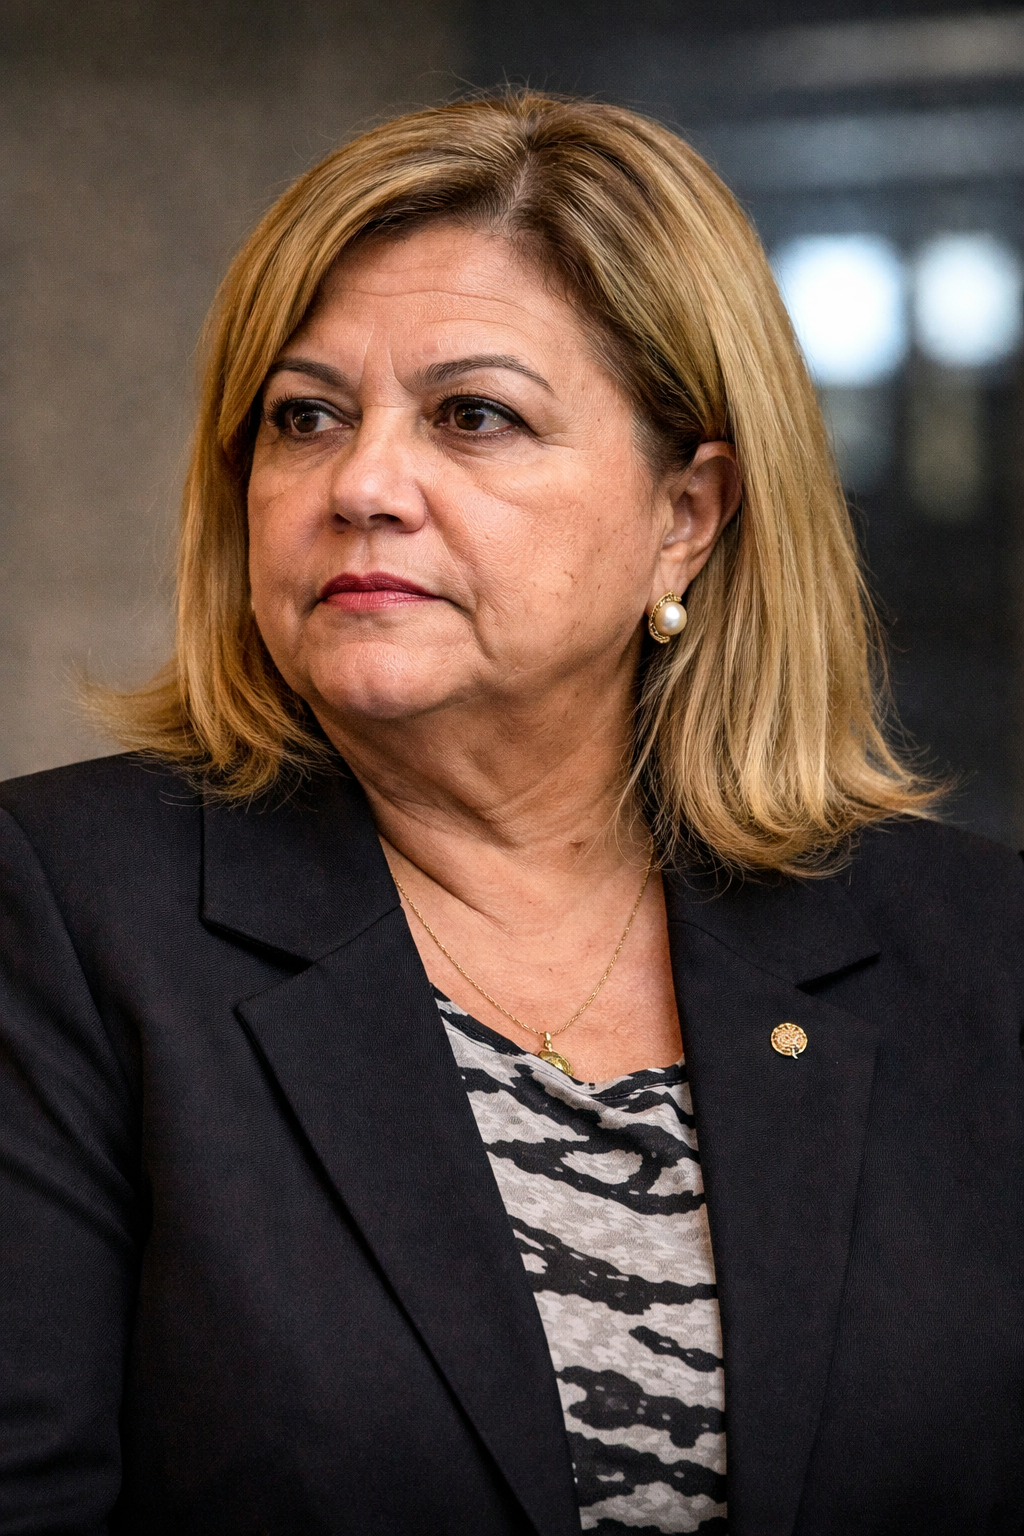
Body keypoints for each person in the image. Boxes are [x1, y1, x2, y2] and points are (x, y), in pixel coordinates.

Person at [1, 91, 1021, 1536]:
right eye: (305, 417)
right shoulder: (62, 911)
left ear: (686, 515)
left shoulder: (977, 946)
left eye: (473, 416)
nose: (362, 485)